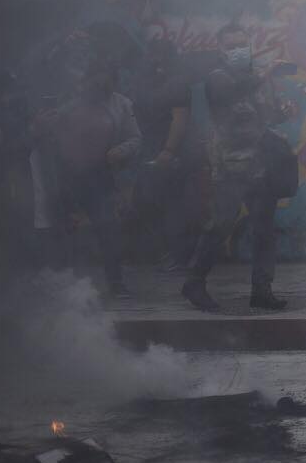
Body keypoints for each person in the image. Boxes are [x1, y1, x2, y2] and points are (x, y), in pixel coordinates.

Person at [182, 23, 297, 313]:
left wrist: (284, 113)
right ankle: (194, 283)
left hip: (263, 164)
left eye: (242, 44)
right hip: (232, 165)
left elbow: (266, 116)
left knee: (264, 230)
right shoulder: (218, 79)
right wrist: (267, 73)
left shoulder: (260, 79)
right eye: (231, 46)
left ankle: (262, 290)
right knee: (220, 226)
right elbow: (233, 94)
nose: (238, 50)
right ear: (221, 50)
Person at [44, 58, 141, 295]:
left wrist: (119, 151)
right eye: (95, 78)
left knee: (108, 229)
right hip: (69, 176)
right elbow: (52, 136)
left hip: (101, 176)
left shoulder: (122, 105)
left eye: (106, 78)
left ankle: (116, 283)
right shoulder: (69, 104)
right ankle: (66, 285)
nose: (100, 84)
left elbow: (136, 138)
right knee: (68, 231)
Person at [130, 38, 197, 272]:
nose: (154, 60)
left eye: (158, 55)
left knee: (173, 204)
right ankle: (170, 253)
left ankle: (179, 256)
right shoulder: (147, 83)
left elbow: (180, 120)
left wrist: (168, 151)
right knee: (146, 200)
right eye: (152, 54)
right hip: (150, 151)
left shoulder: (177, 84)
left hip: (172, 153)